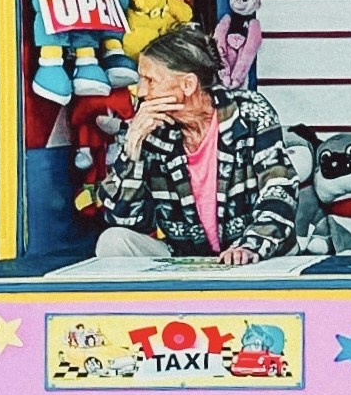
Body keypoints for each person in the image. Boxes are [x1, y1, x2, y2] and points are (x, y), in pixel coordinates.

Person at [96, 23, 301, 265]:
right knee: (112, 241)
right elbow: (128, 219)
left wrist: (250, 246)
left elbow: (279, 187)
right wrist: (132, 150)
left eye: (150, 80)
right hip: (189, 259)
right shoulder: (152, 127)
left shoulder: (249, 111)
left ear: (188, 85)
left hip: (257, 254)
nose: (141, 91)